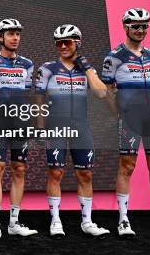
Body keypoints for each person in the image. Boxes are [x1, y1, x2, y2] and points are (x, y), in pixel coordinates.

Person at [102, 8, 150, 236]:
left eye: (144, 26)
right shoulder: (114, 56)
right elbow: (107, 90)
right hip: (129, 117)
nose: (140, 30)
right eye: (135, 26)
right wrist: (117, 114)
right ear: (126, 27)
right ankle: (123, 220)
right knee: (127, 166)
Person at [35, 24, 109, 238]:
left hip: (80, 127)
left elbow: (102, 93)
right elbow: (39, 99)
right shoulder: (47, 68)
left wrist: (85, 67)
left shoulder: (88, 69)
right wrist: (40, 127)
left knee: (85, 173)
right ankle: (56, 220)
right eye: (59, 42)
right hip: (55, 126)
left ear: (78, 42)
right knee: (56, 172)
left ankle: (87, 221)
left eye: (68, 42)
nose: (63, 46)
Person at [0, 19, 37, 240]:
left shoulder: (27, 64)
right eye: (10, 34)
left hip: (20, 124)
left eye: (17, 34)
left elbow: (26, 95)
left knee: (19, 170)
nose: (15, 38)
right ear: (0, 37)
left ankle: (13, 222)